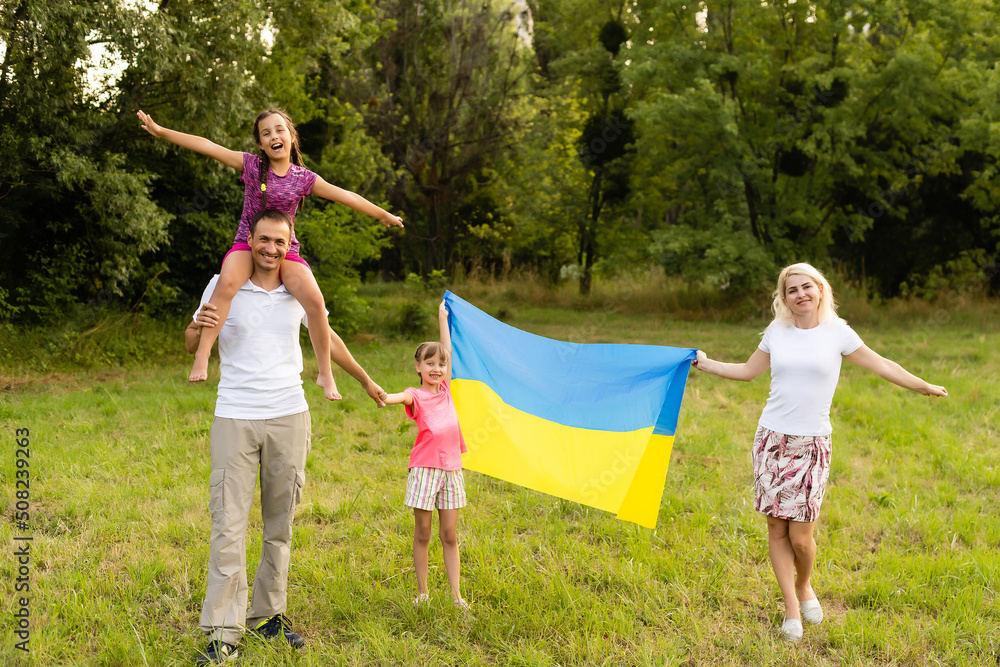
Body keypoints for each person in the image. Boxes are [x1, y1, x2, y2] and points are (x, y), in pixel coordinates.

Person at [692, 262, 947, 642]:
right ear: (784, 298)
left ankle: (804, 584)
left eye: (806, 287)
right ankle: (791, 609)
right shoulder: (776, 333)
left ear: (820, 290)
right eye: (792, 290)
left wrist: (922, 385)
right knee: (776, 528)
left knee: (800, 537)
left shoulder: (837, 333)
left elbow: (882, 364)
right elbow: (747, 371)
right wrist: (704, 362)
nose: (801, 294)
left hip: (812, 444)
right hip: (772, 441)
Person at [184, 209, 387, 664]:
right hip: (235, 415)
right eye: (264, 240)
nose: (271, 249)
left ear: (290, 244)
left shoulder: (298, 287)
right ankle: (222, 634)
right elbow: (192, 342)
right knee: (228, 525)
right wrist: (196, 327)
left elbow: (327, 335)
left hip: (289, 415)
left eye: (280, 241)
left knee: (280, 524)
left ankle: (268, 616)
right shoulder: (223, 283)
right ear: (250, 240)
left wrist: (364, 379)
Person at [140, 107, 403, 398]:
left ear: (291, 136)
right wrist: (161, 132)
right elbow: (208, 146)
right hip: (247, 243)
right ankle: (203, 355)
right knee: (226, 283)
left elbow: (346, 195)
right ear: (261, 144)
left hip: (284, 249)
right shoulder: (251, 166)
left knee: (316, 302)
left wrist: (382, 214)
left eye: (279, 130)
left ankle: (325, 374)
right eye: (266, 133)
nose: (274, 136)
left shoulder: (303, 178)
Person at [383, 301, 470, 609]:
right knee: (423, 533)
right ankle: (423, 593)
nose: (436, 368)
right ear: (418, 367)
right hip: (425, 470)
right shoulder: (416, 395)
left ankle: (456, 596)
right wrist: (382, 395)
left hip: (452, 470)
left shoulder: (446, 390)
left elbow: (448, 350)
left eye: (441, 365)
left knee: (450, 535)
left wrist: (442, 317)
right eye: (429, 363)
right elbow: (398, 397)